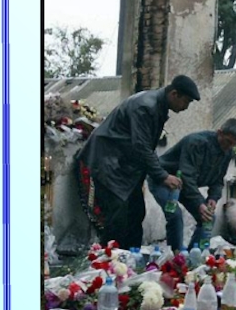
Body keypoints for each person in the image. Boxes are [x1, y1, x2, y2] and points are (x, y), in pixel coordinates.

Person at [75, 75, 201, 249]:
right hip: (108, 162)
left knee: (136, 213)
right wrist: (162, 176)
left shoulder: (158, 106)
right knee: (118, 219)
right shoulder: (146, 107)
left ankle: (131, 259)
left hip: (124, 168)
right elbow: (141, 146)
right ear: (174, 94)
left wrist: (159, 173)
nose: (186, 107)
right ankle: (108, 260)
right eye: (186, 101)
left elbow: (146, 147)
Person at [148, 118, 236, 251]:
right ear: (219, 132)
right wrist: (199, 203)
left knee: (208, 218)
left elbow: (218, 180)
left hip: (185, 186)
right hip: (164, 180)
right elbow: (187, 176)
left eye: (233, 144)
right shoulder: (196, 142)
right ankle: (175, 256)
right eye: (227, 141)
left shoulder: (227, 152)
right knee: (175, 214)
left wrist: (213, 198)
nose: (229, 147)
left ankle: (193, 255)